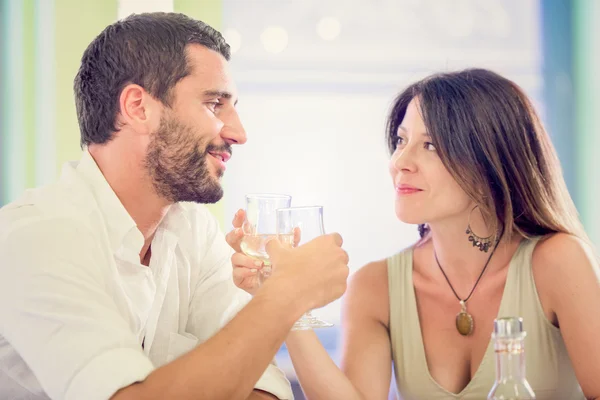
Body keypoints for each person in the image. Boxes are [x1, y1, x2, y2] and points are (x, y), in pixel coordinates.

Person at [0, 12, 349, 400]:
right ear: (138, 107)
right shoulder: (36, 237)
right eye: (215, 104)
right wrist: (287, 293)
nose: (239, 133)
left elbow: (262, 387)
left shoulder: (193, 231)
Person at [230, 69, 600, 399]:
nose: (399, 163)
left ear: (490, 161)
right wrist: (285, 300)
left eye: (431, 145)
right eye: (401, 141)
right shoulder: (376, 286)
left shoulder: (558, 262)